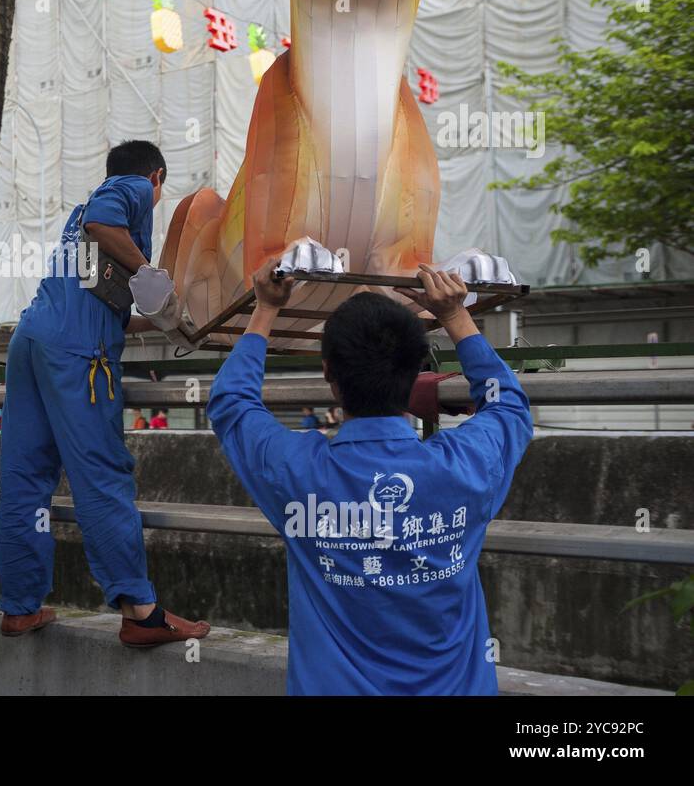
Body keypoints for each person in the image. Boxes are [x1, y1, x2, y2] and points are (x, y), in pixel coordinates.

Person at [207, 261, 533, 694]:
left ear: (329, 374)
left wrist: (266, 308)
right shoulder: (465, 466)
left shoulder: (298, 473)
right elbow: (508, 405)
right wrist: (456, 316)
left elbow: (231, 402)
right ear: (417, 371)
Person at [0, 140, 210, 647]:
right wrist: (151, 274)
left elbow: (100, 301)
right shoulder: (130, 189)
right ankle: (140, 611)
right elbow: (105, 223)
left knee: (26, 478)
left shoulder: (78, 224)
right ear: (156, 178)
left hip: (32, 341)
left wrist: (160, 322)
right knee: (102, 475)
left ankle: (20, 607)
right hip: (77, 356)